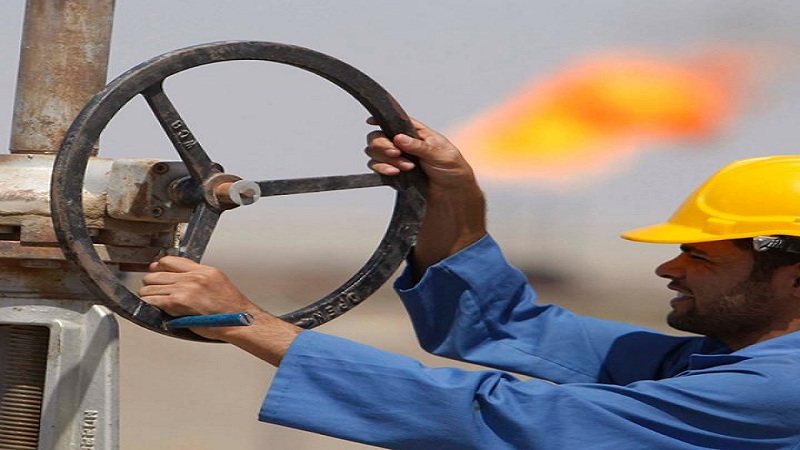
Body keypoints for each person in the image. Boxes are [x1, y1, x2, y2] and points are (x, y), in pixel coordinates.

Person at [139, 119, 800, 449]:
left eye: (701, 257)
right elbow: (506, 328)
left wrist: (249, 324)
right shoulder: (721, 362)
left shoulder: (776, 391)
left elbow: (517, 418)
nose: (667, 269)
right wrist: (452, 194)